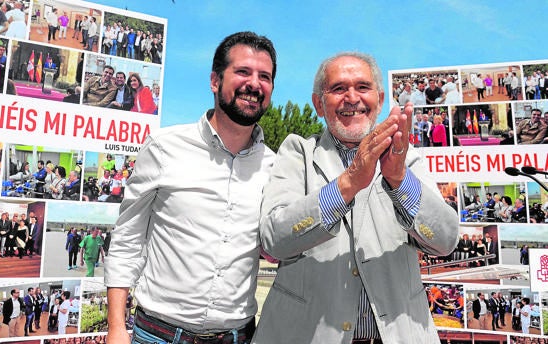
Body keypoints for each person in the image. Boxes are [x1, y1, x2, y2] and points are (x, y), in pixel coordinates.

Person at [252, 52, 458, 344]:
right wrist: (347, 184)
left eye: (363, 87)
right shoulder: (298, 153)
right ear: (318, 105)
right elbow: (274, 238)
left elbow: (446, 239)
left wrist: (398, 181)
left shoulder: (406, 160)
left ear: (380, 98)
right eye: (338, 89)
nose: (351, 98)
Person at [104, 31, 276, 344]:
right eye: (242, 72)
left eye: (264, 76)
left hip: (240, 337)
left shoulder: (275, 167)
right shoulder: (163, 148)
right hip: (157, 335)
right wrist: (116, 328)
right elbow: (128, 236)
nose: (254, 84)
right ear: (215, 81)